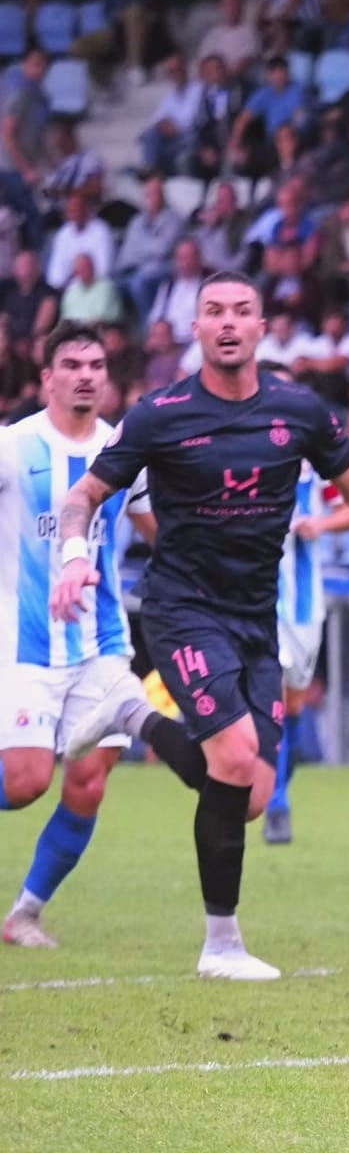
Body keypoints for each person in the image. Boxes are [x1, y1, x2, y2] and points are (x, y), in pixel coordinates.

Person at [49, 273, 349, 980]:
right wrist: (75, 556)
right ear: (197, 328)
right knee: (234, 759)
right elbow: (85, 494)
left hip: (255, 618)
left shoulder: (299, 411)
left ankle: (132, 716)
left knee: (251, 796)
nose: (228, 322)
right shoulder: (159, 413)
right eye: (214, 311)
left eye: (242, 311)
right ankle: (221, 944)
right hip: (181, 609)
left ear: (262, 327)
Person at [0, 323, 157, 948]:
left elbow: (156, 531)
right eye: (72, 365)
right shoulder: (13, 447)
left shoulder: (123, 450)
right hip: (26, 643)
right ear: (48, 378)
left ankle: (24, 915)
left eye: (95, 365)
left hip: (103, 644)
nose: (86, 375)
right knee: (26, 781)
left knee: (89, 782)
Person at [267, 462, 349, 846]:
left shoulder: (315, 466)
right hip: (260, 601)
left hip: (304, 606)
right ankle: (277, 806)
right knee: (270, 701)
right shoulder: (251, 455)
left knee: (292, 709)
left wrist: (320, 525)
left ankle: (280, 777)